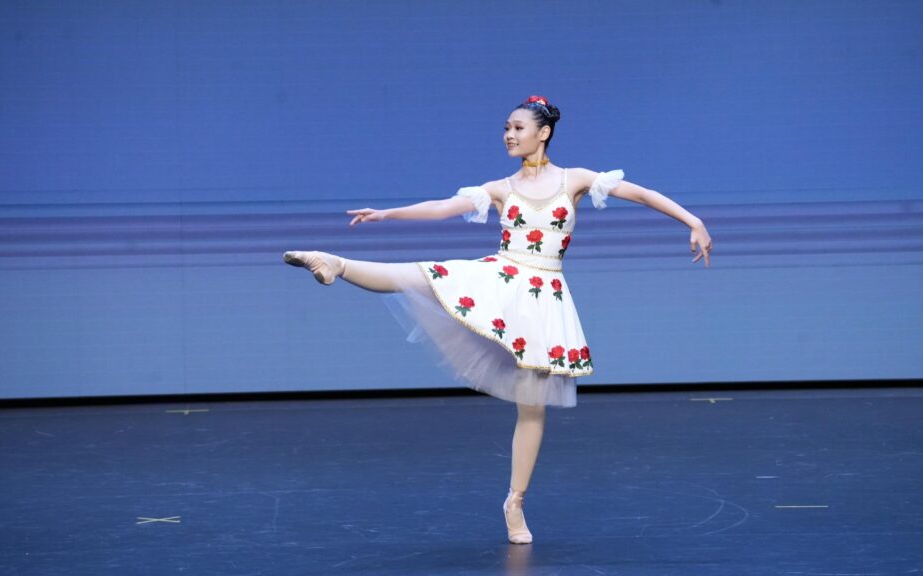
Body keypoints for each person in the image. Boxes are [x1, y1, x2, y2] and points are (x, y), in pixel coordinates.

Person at [283, 95, 713, 545]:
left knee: (532, 406)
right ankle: (335, 262)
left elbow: (641, 193)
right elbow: (442, 207)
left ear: (543, 133)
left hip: (542, 299)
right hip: (502, 279)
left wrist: (693, 220)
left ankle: (515, 502)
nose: (509, 135)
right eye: (506, 127)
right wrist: (388, 213)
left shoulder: (576, 179)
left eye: (518, 127)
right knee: (420, 276)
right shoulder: (501, 187)